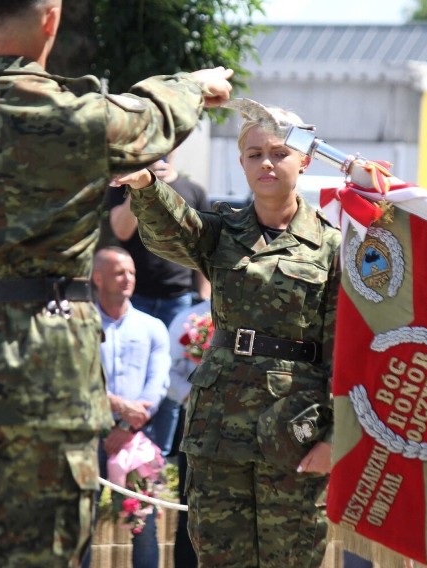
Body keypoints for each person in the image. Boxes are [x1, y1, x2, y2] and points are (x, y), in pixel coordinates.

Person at [0, 0, 233, 564]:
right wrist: (194, 84)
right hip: (54, 375)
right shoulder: (85, 118)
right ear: (51, 18)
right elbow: (156, 114)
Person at [114, 105, 340, 567]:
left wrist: (335, 438)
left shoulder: (333, 246)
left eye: (280, 153)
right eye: (254, 154)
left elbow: (344, 350)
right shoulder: (221, 232)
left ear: (304, 161)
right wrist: (145, 185)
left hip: (295, 428)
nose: (267, 164)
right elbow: (175, 226)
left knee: (292, 558)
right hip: (220, 429)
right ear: (241, 164)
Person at [107, 151, 211, 457]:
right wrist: (143, 187)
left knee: (171, 383)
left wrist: (203, 302)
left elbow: (205, 249)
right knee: (134, 376)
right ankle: (125, 455)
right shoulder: (122, 185)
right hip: (133, 301)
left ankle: (159, 458)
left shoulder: (194, 191)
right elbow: (121, 230)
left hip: (179, 302)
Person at [81, 246, 170, 568]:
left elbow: (158, 385)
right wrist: (116, 406)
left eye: (131, 272)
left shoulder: (152, 327)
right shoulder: (81, 325)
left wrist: (126, 428)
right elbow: (77, 382)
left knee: (143, 525)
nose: (128, 278)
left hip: (136, 438)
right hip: (87, 436)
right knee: (80, 524)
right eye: (119, 272)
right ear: (97, 278)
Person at [164, 297, 213, 568]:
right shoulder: (189, 317)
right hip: (195, 422)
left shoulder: (255, 315)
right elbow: (169, 371)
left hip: (244, 424)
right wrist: (193, 397)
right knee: (190, 508)